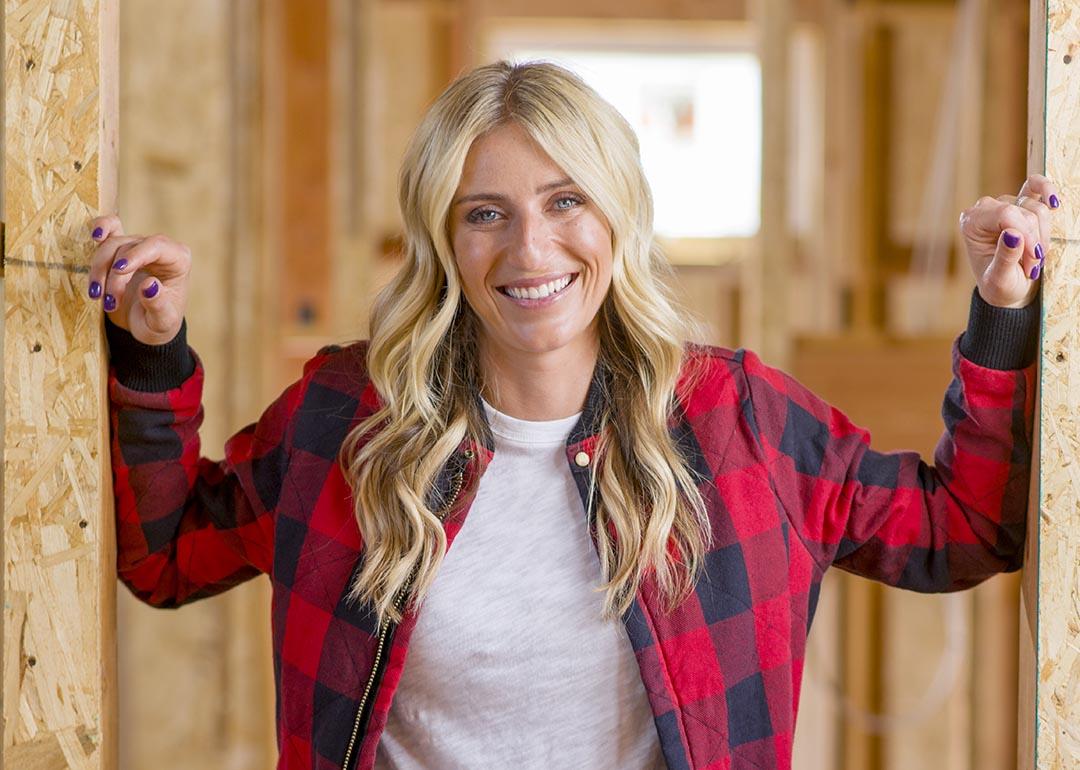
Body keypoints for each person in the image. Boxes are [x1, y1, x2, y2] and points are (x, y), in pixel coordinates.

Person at [90, 61, 1058, 770]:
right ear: (443, 237)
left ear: (617, 218)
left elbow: (964, 526)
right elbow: (166, 554)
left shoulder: (737, 422)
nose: (531, 246)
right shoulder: (346, 422)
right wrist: (152, 342)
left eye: (566, 201)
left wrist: (1005, 312)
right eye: (485, 212)